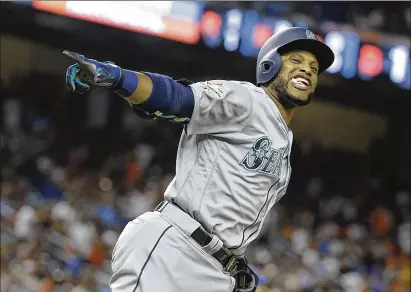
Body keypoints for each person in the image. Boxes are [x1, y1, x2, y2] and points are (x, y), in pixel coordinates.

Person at [64, 27, 334, 292]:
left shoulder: (283, 139)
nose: (307, 69)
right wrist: (117, 77)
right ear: (270, 65)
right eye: (296, 60)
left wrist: (233, 262)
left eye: (314, 67)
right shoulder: (247, 99)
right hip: (175, 250)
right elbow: (177, 99)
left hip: (215, 270)